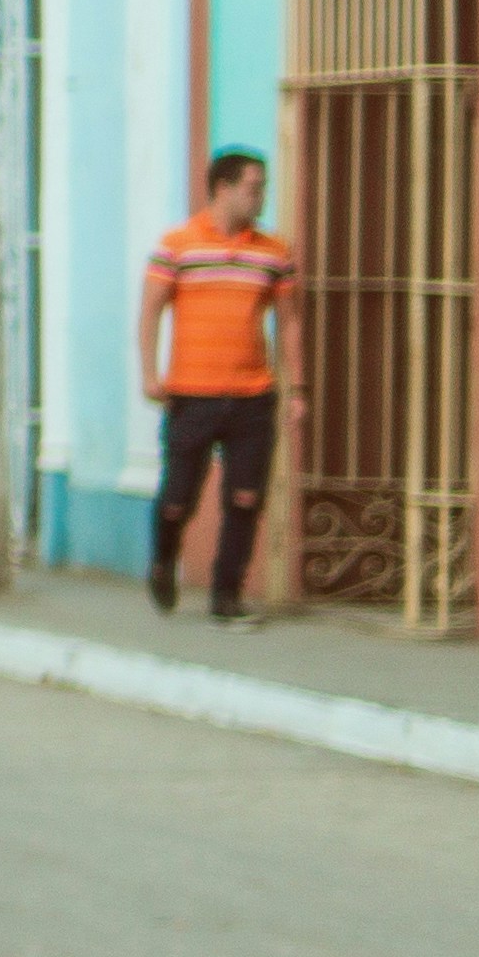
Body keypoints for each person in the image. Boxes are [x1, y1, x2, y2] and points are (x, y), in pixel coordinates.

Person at [140, 147, 296, 623]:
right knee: (178, 497)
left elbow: (289, 322)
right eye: (253, 187)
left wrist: (298, 388)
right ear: (223, 188)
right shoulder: (177, 245)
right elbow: (151, 311)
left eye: (263, 187)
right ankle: (164, 560)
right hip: (191, 394)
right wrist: (150, 373)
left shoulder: (273, 252)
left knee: (245, 498)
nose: (260, 196)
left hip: (252, 394)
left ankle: (226, 596)